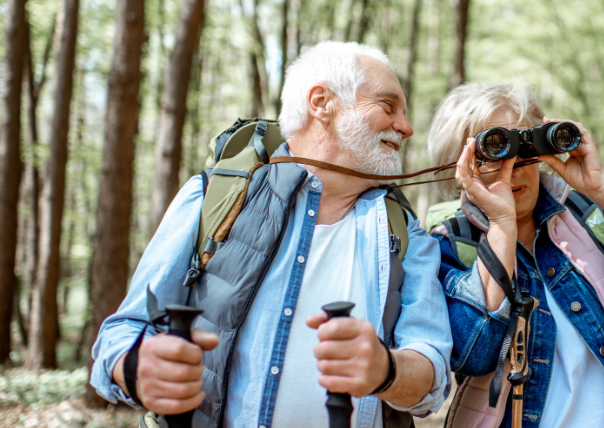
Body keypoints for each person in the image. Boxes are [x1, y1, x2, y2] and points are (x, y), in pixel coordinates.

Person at [90, 42, 452, 428]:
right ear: (321, 102)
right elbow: (122, 333)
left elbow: (431, 373)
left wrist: (387, 370)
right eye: (388, 106)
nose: (407, 127)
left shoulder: (407, 232)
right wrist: (138, 367)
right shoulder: (216, 195)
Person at [426, 83, 604, 428]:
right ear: (459, 167)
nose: (512, 167)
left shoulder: (586, 217)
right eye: (493, 150)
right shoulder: (452, 245)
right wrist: (501, 228)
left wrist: (603, 189)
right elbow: (474, 354)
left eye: (522, 146)